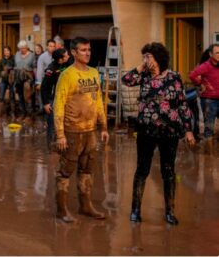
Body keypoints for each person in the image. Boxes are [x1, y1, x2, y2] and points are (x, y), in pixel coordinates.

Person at [122, 42, 195, 225]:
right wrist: (140, 66)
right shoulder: (143, 76)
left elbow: (182, 104)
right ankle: (135, 210)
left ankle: (170, 211)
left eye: (149, 56)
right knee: (142, 169)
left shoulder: (174, 77)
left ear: (159, 58)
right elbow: (126, 80)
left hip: (169, 131)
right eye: (144, 56)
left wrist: (188, 130)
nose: (146, 60)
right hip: (146, 129)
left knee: (168, 171)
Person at [53, 37, 109, 223]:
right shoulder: (67, 75)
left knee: (87, 170)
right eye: (83, 50)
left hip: (90, 131)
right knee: (65, 171)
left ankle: (86, 206)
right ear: (74, 53)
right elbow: (58, 105)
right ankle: (62, 210)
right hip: (71, 131)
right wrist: (60, 134)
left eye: (89, 49)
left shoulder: (93, 73)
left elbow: (98, 100)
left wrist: (103, 127)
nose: (88, 53)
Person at [40, 48, 71, 143]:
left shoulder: (67, 64)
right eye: (66, 55)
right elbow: (44, 87)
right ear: (60, 59)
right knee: (52, 124)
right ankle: (50, 146)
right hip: (52, 100)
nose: (68, 56)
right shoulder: (51, 69)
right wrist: (45, 103)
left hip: (65, 98)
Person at [189, 43, 219, 140]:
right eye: (217, 53)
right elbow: (192, 75)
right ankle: (208, 152)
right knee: (209, 128)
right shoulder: (205, 66)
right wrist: (199, 84)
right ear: (210, 54)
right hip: (209, 101)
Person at [14, 40, 35, 115]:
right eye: (21, 48)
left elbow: (34, 67)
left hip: (27, 78)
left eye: (24, 48)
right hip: (18, 78)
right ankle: (23, 113)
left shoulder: (32, 55)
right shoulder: (17, 54)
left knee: (27, 97)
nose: (22, 49)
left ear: (27, 47)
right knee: (20, 96)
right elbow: (15, 65)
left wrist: (34, 79)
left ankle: (29, 115)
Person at [0, 46, 15, 111]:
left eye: (7, 50)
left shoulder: (14, 59)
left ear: (10, 51)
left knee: (12, 97)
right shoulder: (1, 60)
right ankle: (0, 112)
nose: (6, 52)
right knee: (1, 96)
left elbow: (16, 68)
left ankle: (13, 113)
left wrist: (11, 69)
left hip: (11, 80)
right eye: (5, 51)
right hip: (4, 80)